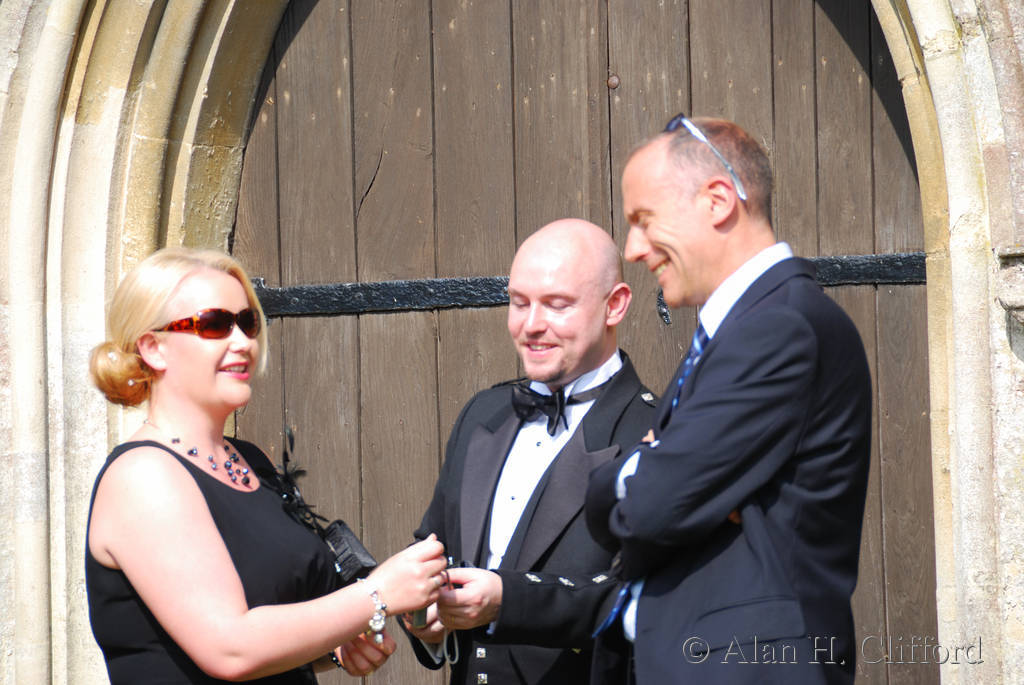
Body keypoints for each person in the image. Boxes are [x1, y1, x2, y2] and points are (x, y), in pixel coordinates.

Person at [585, 116, 872, 684]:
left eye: (644, 221)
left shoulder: (779, 327)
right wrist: (649, 471)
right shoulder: (739, 331)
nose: (633, 249)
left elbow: (654, 506)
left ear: (717, 201)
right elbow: (652, 499)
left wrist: (644, 470)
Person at [86, 247, 448, 684]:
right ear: (154, 348)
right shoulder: (143, 476)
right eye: (214, 324)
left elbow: (275, 622)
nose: (243, 342)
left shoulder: (249, 462)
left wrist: (335, 646)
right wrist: (378, 592)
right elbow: (231, 648)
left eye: (248, 323)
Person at [401, 219, 658, 685]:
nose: (531, 325)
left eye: (557, 305)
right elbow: (432, 546)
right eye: (519, 303)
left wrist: (508, 601)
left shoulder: (654, 432)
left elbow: (643, 595)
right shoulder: (483, 413)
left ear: (615, 305)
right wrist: (424, 617)